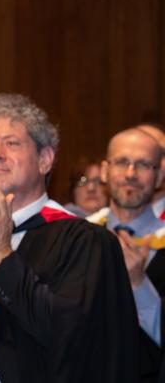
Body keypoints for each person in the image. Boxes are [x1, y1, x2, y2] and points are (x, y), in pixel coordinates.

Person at [0, 93, 139, 383]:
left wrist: (1, 254)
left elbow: (73, 337)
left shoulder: (84, 240)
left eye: (11, 143)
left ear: (45, 159)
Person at [90, 128, 165, 381]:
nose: (130, 174)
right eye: (122, 162)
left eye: (143, 164)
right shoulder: (78, 236)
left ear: (159, 176)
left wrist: (138, 284)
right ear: (104, 170)